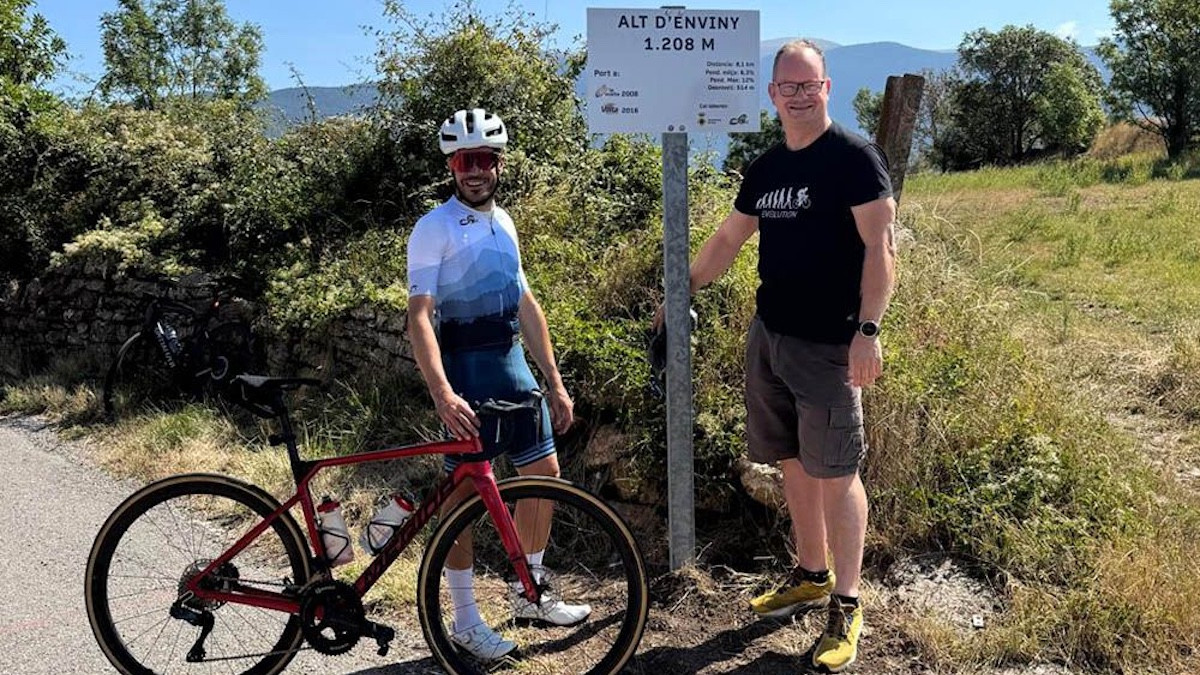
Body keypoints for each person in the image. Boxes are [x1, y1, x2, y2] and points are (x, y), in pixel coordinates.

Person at [661, 40, 896, 672]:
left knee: (838, 473)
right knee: (790, 462)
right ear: (771, 95)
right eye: (786, 86)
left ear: (827, 88)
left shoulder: (854, 158)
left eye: (808, 84)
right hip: (771, 337)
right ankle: (811, 574)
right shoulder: (765, 169)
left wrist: (868, 331)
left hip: (831, 344)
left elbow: (882, 248)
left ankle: (846, 607)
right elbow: (728, 239)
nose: (797, 94)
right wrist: (679, 287)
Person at [406, 107, 590, 661]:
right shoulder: (433, 228)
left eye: (483, 159)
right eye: (464, 161)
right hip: (467, 370)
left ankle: (528, 588)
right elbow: (419, 316)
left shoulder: (504, 221)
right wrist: (442, 392)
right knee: (463, 496)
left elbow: (526, 303)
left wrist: (554, 381)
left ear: (498, 164)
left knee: (544, 474)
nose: (474, 170)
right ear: (451, 167)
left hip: (514, 366)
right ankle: (463, 620)